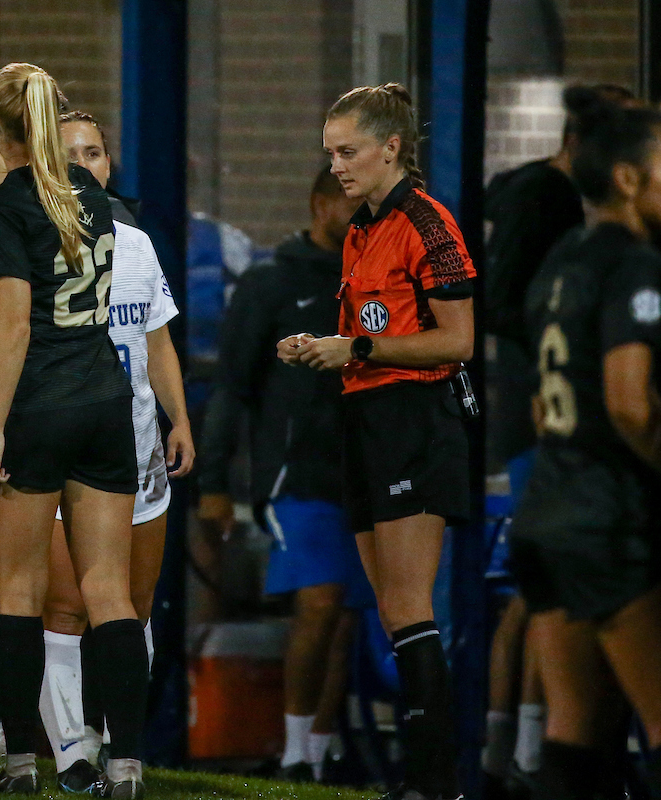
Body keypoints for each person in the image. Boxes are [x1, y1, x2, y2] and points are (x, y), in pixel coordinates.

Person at [281, 83, 476, 800]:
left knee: (410, 605)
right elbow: (373, 330)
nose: (335, 165)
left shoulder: (426, 222)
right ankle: (425, 780)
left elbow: (459, 341)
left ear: (391, 148)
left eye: (348, 150)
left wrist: (357, 347)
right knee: (393, 608)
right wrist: (326, 347)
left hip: (416, 422)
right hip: (367, 419)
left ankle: (437, 782)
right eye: (330, 152)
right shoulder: (362, 226)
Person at [0, 62, 148, 797]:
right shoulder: (92, 197)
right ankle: (128, 764)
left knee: (17, 588)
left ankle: (19, 764)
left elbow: (12, 326)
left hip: (39, 402)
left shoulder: (3, 207)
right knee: (111, 590)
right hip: (104, 401)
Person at [12, 110, 192, 791]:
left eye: (95, 152)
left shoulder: (138, 246)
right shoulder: (31, 242)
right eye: (70, 152)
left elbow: (157, 341)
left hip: (139, 455)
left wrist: (179, 419)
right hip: (68, 452)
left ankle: (124, 747)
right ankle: (70, 751)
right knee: (64, 607)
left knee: (131, 607)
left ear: (109, 164)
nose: (85, 163)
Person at [480, 85, 634, 795]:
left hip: (552, 438)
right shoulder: (571, 227)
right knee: (543, 595)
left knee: (542, 592)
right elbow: (505, 300)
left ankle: (528, 747)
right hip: (566, 444)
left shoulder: (571, 244)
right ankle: (516, 747)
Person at [511, 104, 661, 800]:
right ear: (630, 179)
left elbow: (543, 408)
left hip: (548, 512)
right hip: (610, 520)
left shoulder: (560, 262)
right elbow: (630, 402)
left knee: (576, 733)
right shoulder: (634, 264)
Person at [200, 165, 369, 784]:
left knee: (347, 613)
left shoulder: (374, 281)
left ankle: (320, 751)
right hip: (295, 476)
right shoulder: (271, 281)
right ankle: (295, 752)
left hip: (363, 474)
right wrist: (214, 483)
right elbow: (232, 386)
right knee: (320, 604)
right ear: (320, 205)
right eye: (350, 206)